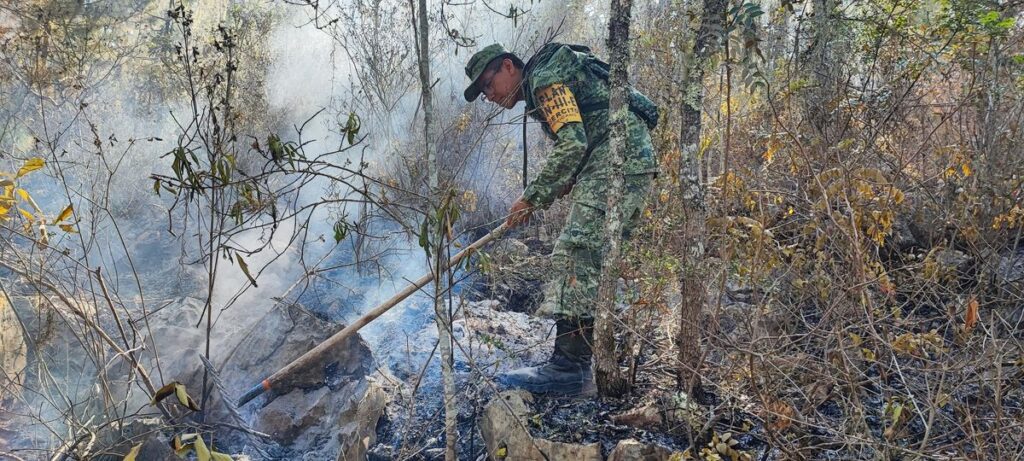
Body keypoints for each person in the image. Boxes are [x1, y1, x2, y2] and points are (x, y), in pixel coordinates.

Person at [464, 42, 659, 396]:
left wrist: (531, 197)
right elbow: (584, 132)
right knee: (587, 256)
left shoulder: (544, 79)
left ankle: (569, 368)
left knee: (574, 252)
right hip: (620, 157)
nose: (488, 96)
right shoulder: (543, 82)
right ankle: (584, 361)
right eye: (482, 93)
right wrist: (565, 181)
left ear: (508, 66)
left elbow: (573, 144)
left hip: (619, 159)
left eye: (488, 85)